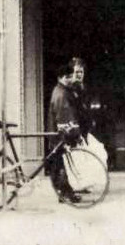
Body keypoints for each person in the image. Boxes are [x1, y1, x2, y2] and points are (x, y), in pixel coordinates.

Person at [47, 63, 82, 203]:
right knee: (60, 165)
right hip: (59, 134)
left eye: (70, 76)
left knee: (59, 164)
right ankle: (65, 193)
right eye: (66, 77)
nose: (69, 79)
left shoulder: (61, 90)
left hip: (56, 132)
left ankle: (64, 193)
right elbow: (65, 115)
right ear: (60, 78)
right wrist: (74, 132)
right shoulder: (61, 94)